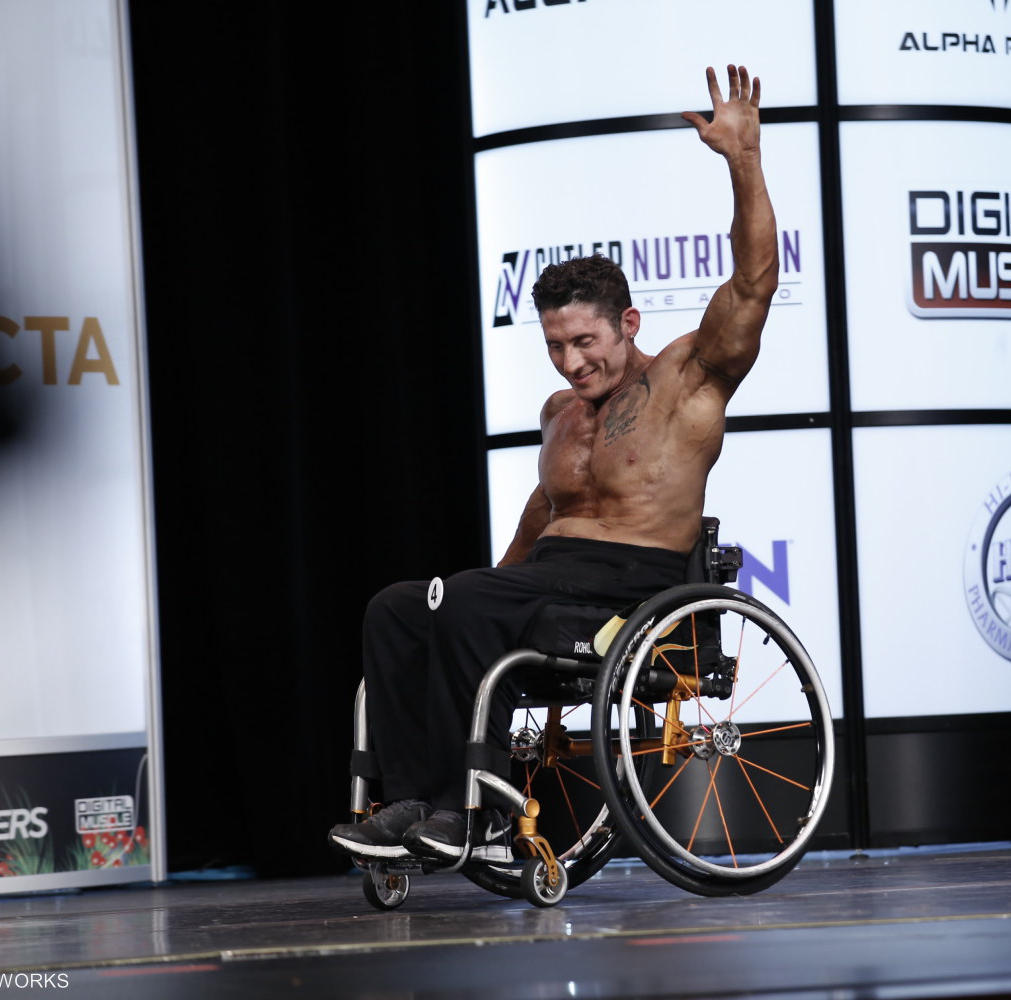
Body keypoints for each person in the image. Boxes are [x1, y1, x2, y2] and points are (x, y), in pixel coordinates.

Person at [328, 64, 777, 862]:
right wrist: (471, 594)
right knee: (396, 609)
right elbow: (543, 513)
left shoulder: (686, 382)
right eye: (556, 345)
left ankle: (472, 814)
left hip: (633, 586)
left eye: (586, 341)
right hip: (547, 580)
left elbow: (751, 284)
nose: (572, 362)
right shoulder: (559, 413)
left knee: (465, 603)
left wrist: (743, 159)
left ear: (628, 322)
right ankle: (410, 803)